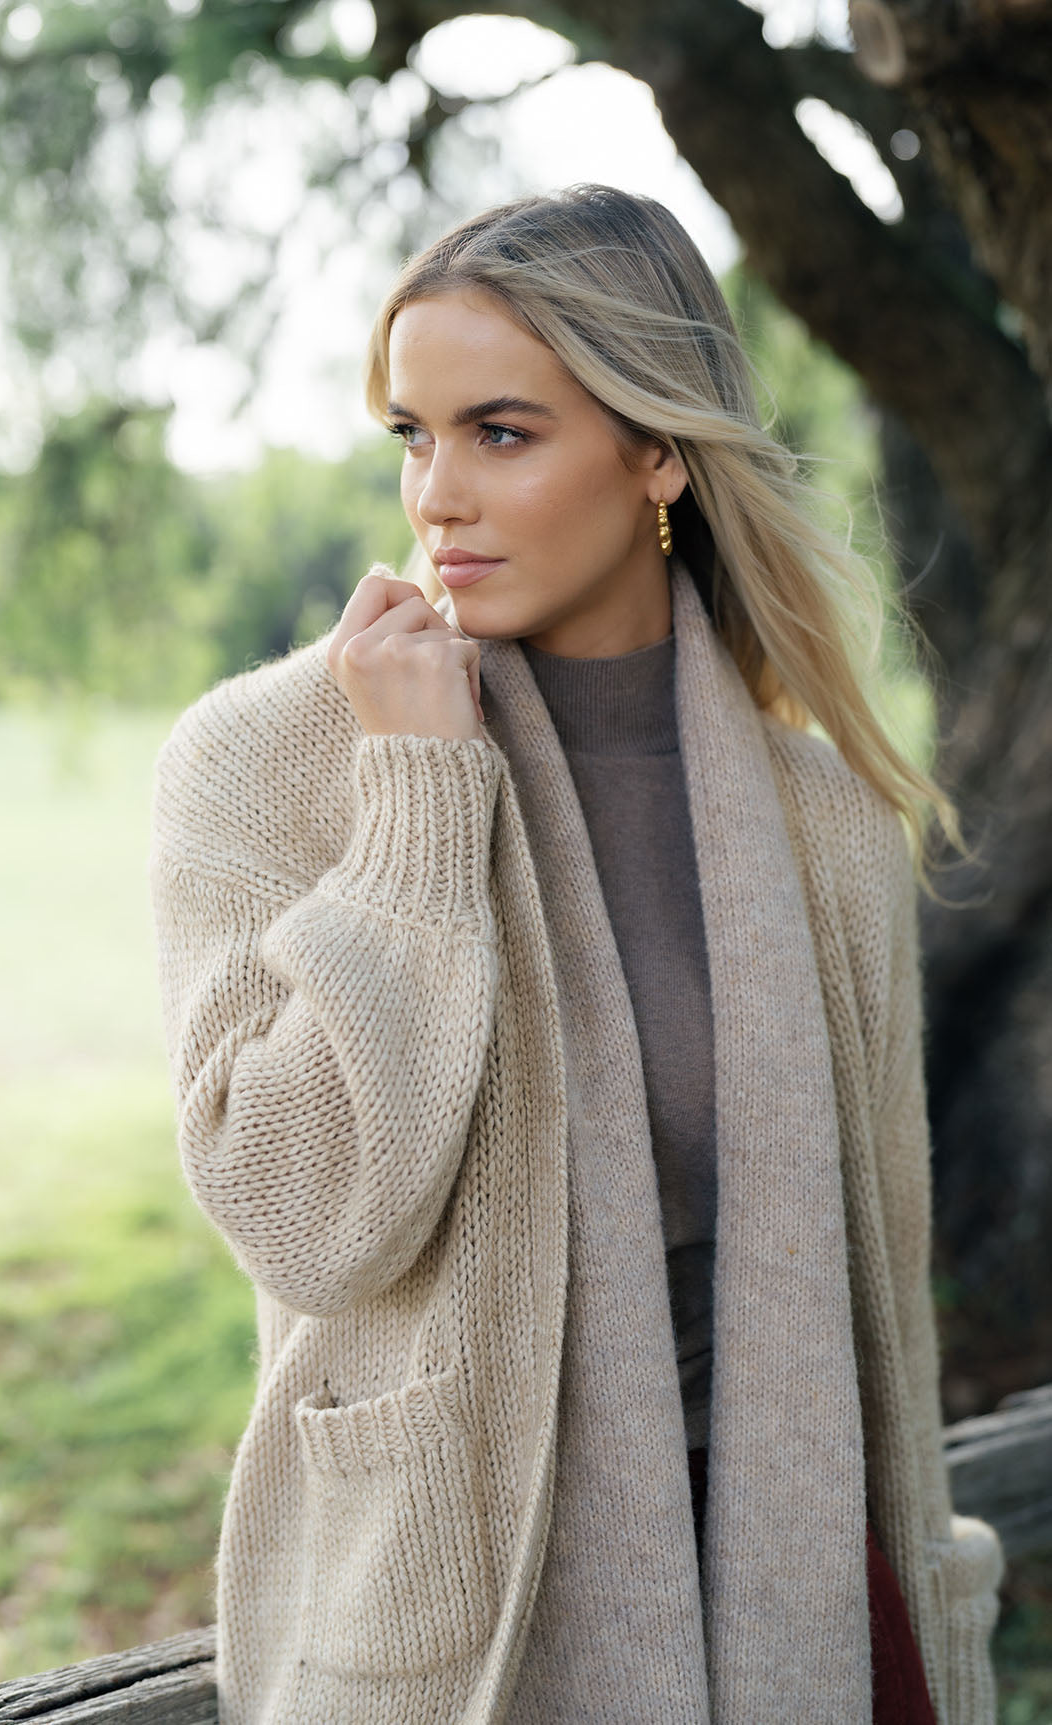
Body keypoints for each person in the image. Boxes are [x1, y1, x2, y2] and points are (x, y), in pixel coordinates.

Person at [149, 184, 1004, 1725]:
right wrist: (417, 796)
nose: (437, 498)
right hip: (468, 1613)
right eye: (411, 435)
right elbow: (304, 1219)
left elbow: (880, 1306)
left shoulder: (817, 824)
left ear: (656, 450)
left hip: (789, 1588)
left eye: (500, 432)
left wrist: (928, 1615)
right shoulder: (272, 766)